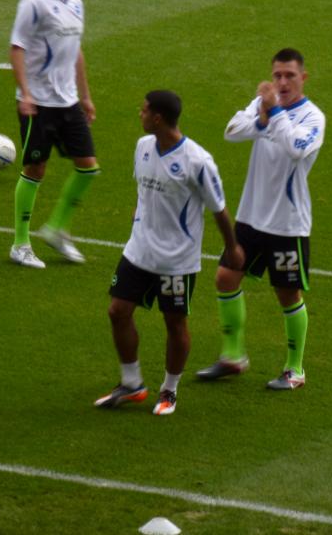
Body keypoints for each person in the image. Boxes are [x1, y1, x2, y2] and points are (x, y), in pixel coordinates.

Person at [95, 90, 244, 415]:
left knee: (175, 322)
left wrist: (232, 248)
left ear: (158, 117)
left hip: (177, 260)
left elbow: (219, 210)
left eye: (144, 109)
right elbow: (142, 193)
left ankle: (169, 390)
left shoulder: (197, 161)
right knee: (118, 311)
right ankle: (132, 384)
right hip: (138, 251)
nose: (140, 113)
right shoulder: (142, 147)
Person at [196, 48, 325, 390]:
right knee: (225, 277)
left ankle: (294, 370)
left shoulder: (313, 118)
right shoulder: (263, 107)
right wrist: (262, 117)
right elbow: (231, 131)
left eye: (289, 76)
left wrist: (275, 112)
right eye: (277, 75)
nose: (282, 82)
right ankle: (233, 356)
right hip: (250, 217)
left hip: (287, 223)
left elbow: (297, 148)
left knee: (287, 294)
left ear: (303, 78)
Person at [9, 0, 99, 269]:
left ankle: (57, 229)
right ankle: (20, 243)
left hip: (68, 101)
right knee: (36, 168)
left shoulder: (76, 3)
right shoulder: (34, 3)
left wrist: (85, 96)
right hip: (39, 102)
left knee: (88, 166)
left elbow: (76, 50)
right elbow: (16, 48)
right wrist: (26, 93)